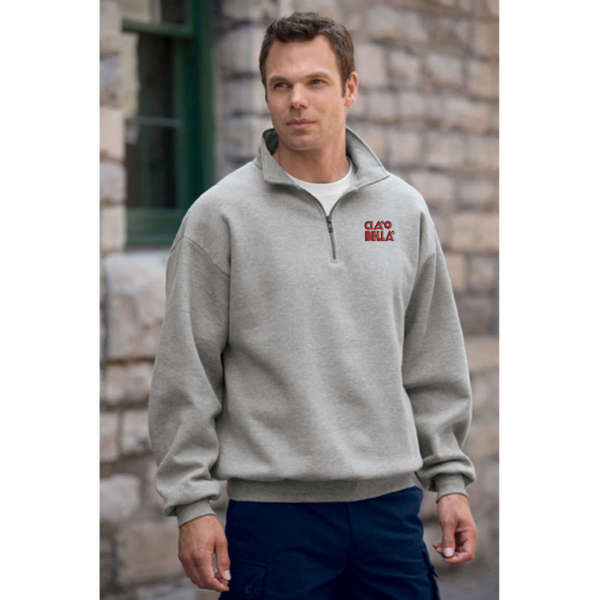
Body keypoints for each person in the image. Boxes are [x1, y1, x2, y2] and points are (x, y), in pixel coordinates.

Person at [148, 11, 478, 599]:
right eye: (281, 84)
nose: (296, 99)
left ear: (350, 88)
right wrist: (192, 504)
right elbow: (186, 371)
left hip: (389, 512)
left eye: (315, 82)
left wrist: (449, 479)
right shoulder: (219, 217)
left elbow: (432, 358)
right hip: (274, 521)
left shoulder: (403, 210)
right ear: (267, 94)